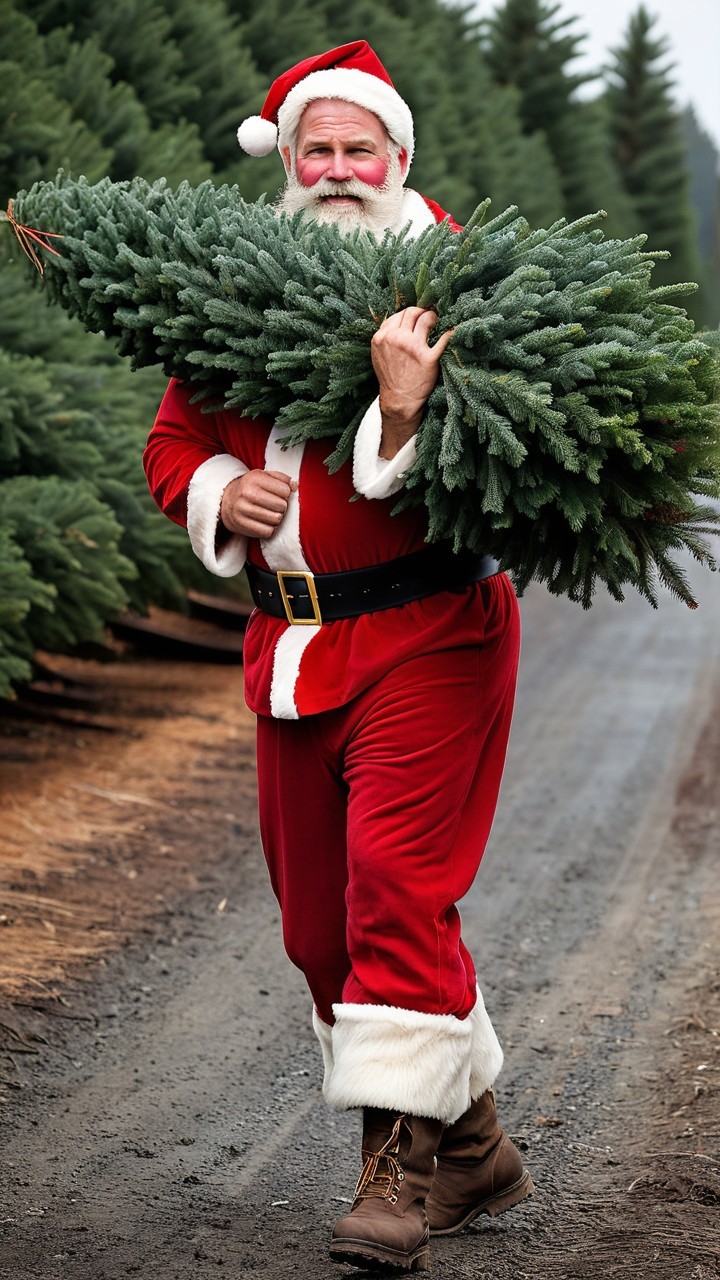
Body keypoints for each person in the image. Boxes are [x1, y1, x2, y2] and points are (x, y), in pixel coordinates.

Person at [144, 39, 533, 1274]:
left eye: (359, 147)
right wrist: (213, 484)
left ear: (399, 159)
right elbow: (169, 438)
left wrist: (408, 407)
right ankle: (472, 1140)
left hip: (431, 630)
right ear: (290, 164)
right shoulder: (234, 284)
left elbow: (508, 460)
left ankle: (397, 1178)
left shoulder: (461, 278)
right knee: (318, 929)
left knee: (392, 884)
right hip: (291, 641)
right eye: (315, 148)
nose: (336, 167)